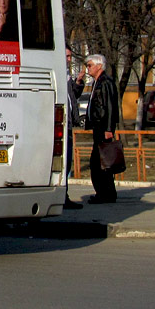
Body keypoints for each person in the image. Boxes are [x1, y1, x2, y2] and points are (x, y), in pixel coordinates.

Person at [84, 53, 120, 204]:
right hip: (97, 126)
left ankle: (105, 193)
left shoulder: (105, 82)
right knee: (100, 161)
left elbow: (110, 106)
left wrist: (109, 128)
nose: (88, 68)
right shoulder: (97, 82)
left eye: (90, 65)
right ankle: (105, 193)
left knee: (101, 161)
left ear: (99, 66)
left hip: (103, 127)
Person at [62, 48, 83, 209]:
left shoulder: (67, 75)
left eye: (70, 57)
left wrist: (77, 83)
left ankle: (65, 194)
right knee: (64, 161)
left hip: (68, 124)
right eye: (67, 56)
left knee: (68, 162)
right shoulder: (58, 73)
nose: (69, 59)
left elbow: (72, 97)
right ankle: (63, 195)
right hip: (61, 124)